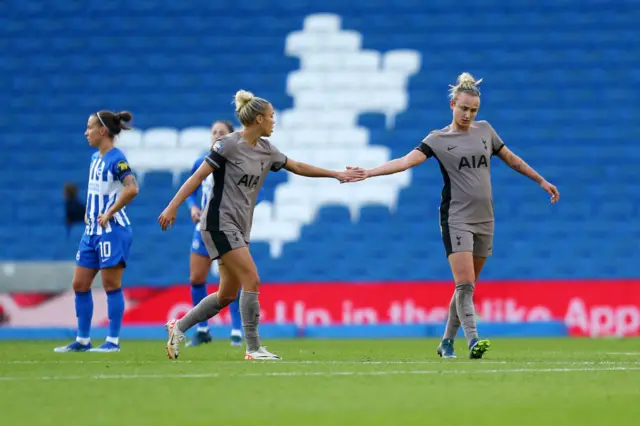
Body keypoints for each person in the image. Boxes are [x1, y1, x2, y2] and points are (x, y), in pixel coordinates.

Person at [344, 73, 560, 359]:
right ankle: (473, 340)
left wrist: (541, 181)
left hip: (486, 218)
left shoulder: (485, 131)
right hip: (456, 218)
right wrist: (370, 172)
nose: (468, 114)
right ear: (452, 105)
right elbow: (406, 161)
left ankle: (446, 342)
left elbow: (512, 159)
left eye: (473, 110)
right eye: (464, 108)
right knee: (465, 284)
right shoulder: (438, 139)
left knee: (465, 288)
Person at [158, 89, 359, 360]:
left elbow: (297, 166)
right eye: (271, 116)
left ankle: (178, 327)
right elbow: (197, 178)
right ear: (257, 120)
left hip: (240, 227)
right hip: (218, 223)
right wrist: (172, 206)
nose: (274, 121)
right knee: (251, 278)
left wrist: (335, 174)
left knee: (226, 294)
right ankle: (253, 348)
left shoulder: (267, 150)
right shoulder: (227, 145)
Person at [54, 111, 139, 353]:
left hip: (112, 230)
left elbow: (132, 188)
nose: (86, 132)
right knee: (80, 283)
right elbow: (99, 191)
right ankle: (82, 340)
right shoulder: (95, 159)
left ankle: (112, 341)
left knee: (111, 285)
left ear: (103, 131)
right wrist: (89, 212)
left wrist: (109, 211)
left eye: (89, 127)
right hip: (92, 230)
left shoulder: (117, 159)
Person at [185, 120, 265, 347]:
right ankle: (202, 329)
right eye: (213, 132)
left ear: (231, 136)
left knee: (232, 281)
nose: (216, 136)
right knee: (196, 278)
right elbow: (191, 187)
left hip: (229, 229)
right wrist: (192, 206)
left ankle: (236, 331)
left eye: (221, 133)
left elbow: (253, 191)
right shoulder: (202, 162)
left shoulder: (238, 163)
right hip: (204, 228)